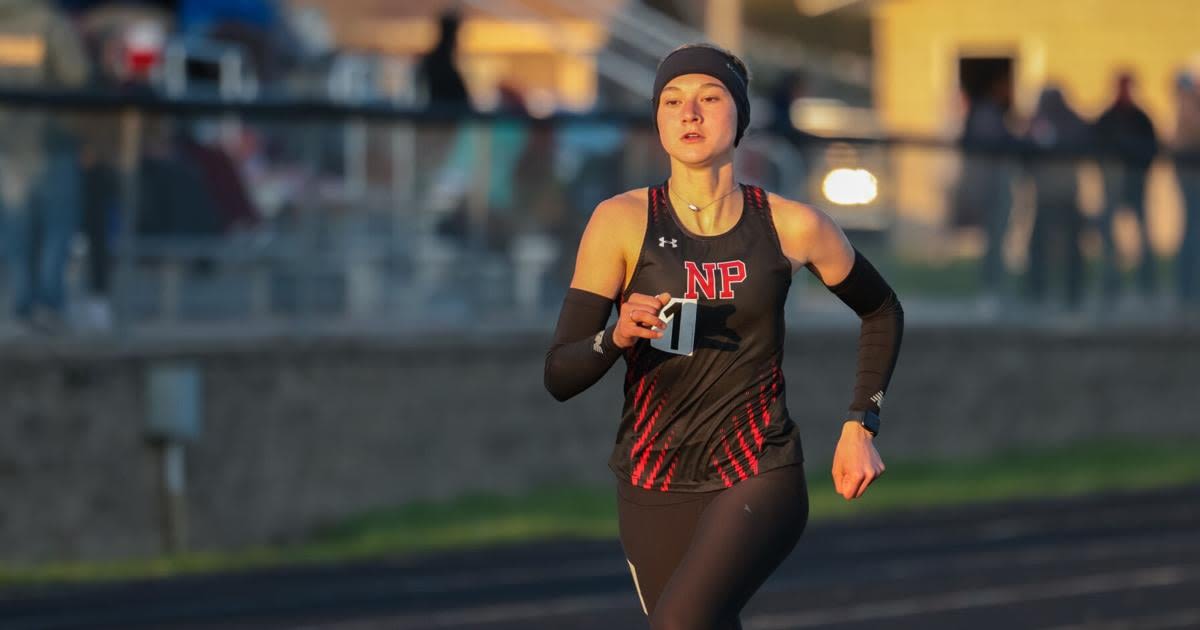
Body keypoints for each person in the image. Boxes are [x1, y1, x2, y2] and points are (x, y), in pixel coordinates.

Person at [543, 44, 904, 628]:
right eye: (673, 101)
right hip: (651, 476)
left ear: (739, 117)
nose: (690, 113)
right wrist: (617, 337)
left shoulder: (792, 224)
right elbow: (558, 374)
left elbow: (883, 309)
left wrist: (861, 422)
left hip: (758, 469)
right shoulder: (620, 222)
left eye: (709, 99)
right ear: (658, 119)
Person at [0, 0, 90, 332]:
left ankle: (22, 305)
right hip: (51, 139)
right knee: (58, 226)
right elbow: (76, 75)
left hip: (7, 141)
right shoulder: (50, 23)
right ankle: (50, 304)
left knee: (15, 227)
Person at [1024, 86, 1092, 311]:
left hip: (1066, 195)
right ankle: (1036, 292)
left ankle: (1073, 294)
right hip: (1044, 195)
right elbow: (1026, 153)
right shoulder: (1037, 122)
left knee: (1071, 247)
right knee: (1039, 246)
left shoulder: (1071, 122)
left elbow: (1084, 138)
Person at [1095, 72, 1159, 302]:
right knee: (1109, 237)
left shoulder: (1141, 118)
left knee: (1143, 236)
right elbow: (1096, 145)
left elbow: (1152, 147)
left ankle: (1147, 284)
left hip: (1136, 185)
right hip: (1112, 187)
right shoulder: (1107, 118)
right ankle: (1111, 284)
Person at [1172, 70, 1200, 309]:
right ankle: (1189, 291)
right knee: (1193, 234)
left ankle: (1189, 291)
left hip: (1190, 181)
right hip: (1192, 182)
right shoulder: (1187, 108)